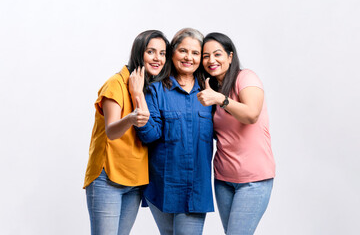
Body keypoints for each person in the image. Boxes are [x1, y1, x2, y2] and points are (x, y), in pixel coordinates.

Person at [83, 30, 170, 235]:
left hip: (135, 180)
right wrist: (130, 118)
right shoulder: (116, 84)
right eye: (151, 51)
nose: (158, 58)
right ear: (139, 53)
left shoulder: (151, 88)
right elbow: (112, 131)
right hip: (108, 177)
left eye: (162, 53)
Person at [135, 28, 214, 235]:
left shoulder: (210, 93)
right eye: (183, 51)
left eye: (195, 53)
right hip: (163, 188)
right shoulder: (156, 90)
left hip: (196, 189)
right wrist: (139, 98)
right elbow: (150, 135)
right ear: (173, 53)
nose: (189, 57)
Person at [197, 32, 276, 235]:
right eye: (205, 56)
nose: (211, 60)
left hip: (253, 180)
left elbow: (251, 115)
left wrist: (220, 99)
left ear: (230, 57)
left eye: (217, 54)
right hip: (223, 179)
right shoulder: (210, 88)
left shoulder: (245, 77)